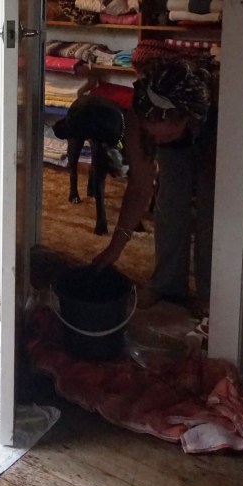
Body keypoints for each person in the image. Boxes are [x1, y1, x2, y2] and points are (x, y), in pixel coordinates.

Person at [92, 57, 217, 315]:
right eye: (153, 135)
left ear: (184, 117)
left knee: (211, 210)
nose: (158, 140)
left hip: (211, 131)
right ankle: (167, 285)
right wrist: (114, 249)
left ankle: (211, 293)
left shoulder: (213, 111)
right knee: (170, 201)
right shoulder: (139, 115)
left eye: (166, 134)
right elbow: (140, 186)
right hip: (182, 136)